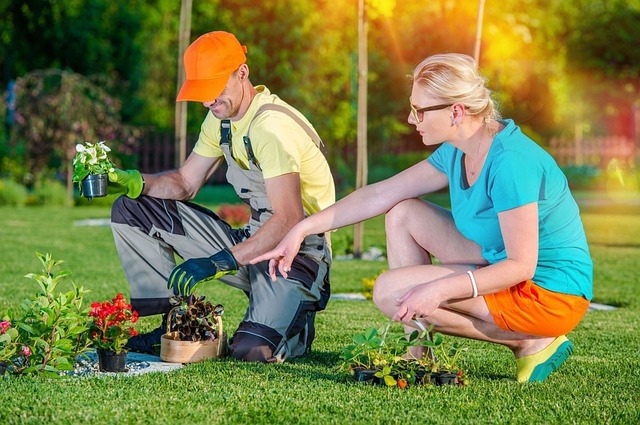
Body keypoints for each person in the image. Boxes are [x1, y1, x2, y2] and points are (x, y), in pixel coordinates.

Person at [253, 53, 593, 382]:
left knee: (390, 292)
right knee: (402, 213)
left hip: (549, 294)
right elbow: (381, 194)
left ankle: (528, 340)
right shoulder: (457, 151)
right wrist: (301, 229)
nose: (411, 120)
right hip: (501, 264)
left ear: (456, 111)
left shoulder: (510, 163)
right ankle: (418, 356)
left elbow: (521, 266)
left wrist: (438, 289)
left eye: (419, 110)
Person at [107, 31, 335, 363]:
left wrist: (218, 262)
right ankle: (172, 322)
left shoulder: (270, 128)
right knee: (133, 209)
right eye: (202, 92)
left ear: (242, 73)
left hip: (299, 253)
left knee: (251, 351)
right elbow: (185, 182)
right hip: (254, 237)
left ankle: (295, 325)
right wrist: (133, 182)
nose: (208, 101)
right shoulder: (221, 119)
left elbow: (289, 219)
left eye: (215, 89)